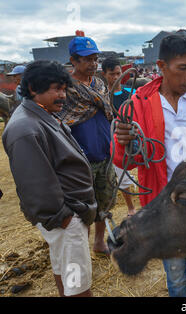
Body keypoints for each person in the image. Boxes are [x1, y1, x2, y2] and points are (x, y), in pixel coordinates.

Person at [112, 35, 186, 297]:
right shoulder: (137, 107)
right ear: (162, 66)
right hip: (164, 208)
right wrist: (124, 143)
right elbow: (124, 161)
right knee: (176, 278)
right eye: (183, 68)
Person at [2, 61, 97, 297]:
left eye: (64, 89)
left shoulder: (41, 114)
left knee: (64, 269)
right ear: (33, 88)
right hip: (64, 218)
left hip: (67, 215)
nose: (62, 96)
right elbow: (35, 183)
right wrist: (65, 219)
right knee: (77, 282)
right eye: (56, 89)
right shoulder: (25, 128)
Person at [57, 36, 117, 256]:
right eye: (87, 59)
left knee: (105, 201)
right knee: (82, 206)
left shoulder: (99, 84)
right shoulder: (64, 89)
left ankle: (99, 243)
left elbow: (108, 113)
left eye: (95, 58)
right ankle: (80, 247)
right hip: (79, 158)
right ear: (73, 60)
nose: (93, 63)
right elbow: (62, 121)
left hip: (104, 152)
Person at [101, 57, 137, 216]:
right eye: (112, 74)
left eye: (118, 73)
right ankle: (131, 207)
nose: (116, 77)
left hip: (135, 136)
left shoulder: (132, 93)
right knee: (123, 175)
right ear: (104, 74)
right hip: (115, 140)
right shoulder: (103, 97)